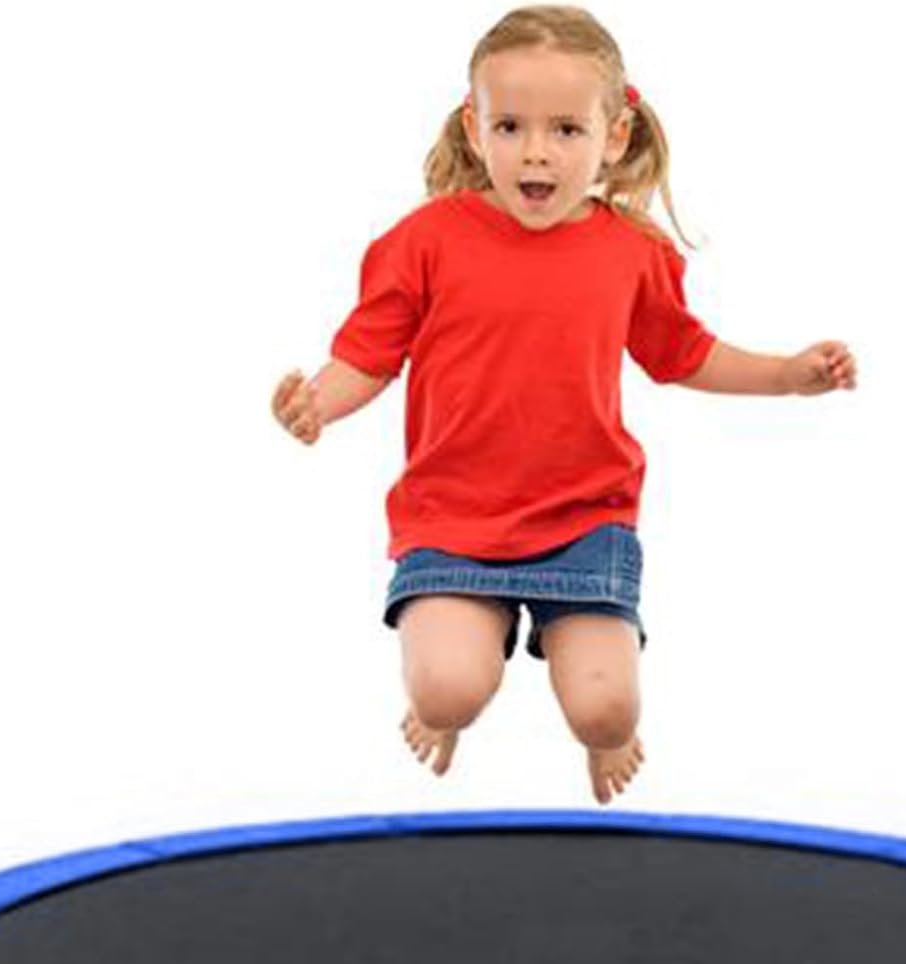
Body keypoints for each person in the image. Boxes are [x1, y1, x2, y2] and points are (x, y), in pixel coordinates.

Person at [272, 5, 856, 804]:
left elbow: (684, 354)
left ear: (614, 136)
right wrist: (317, 402)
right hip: (453, 519)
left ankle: (605, 739)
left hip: (583, 519)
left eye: (566, 130)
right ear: (474, 128)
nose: (536, 152)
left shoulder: (632, 251)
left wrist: (787, 374)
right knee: (448, 690)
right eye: (510, 127)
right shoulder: (423, 241)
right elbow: (367, 356)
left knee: (605, 710)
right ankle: (444, 708)